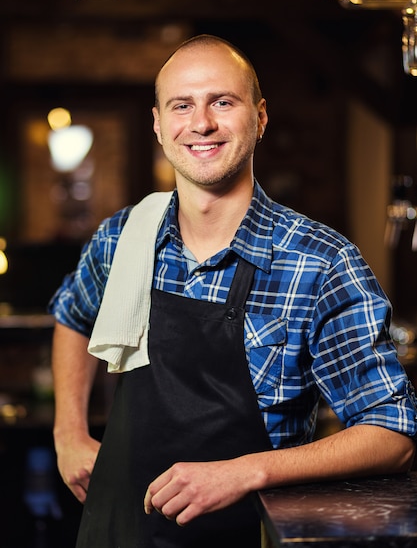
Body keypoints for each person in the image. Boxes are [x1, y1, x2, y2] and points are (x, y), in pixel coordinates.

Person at [49, 34, 417, 548]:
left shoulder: (319, 262)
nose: (201, 123)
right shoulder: (124, 236)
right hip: (116, 532)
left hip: (246, 535)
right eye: (182, 105)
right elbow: (72, 313)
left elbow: (392, 434)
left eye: (223, 102)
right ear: (159, 124)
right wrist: (68, 432)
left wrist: (246, 472)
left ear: (260, 117)